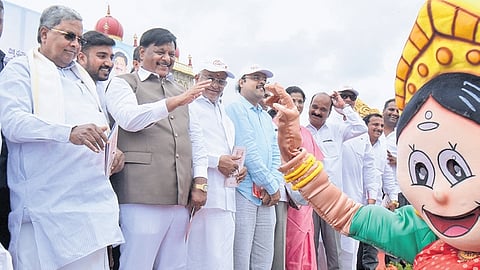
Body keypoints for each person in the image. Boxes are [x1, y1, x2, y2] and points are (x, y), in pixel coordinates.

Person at [0, 5, 124, 269]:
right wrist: (68, 133)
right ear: (44, 34)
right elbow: (12, 123)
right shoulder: (21, 70)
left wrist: (112, 152)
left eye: (79, 39)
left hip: (92, 209)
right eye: (69, 36)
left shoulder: (84, 80)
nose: (75, 44)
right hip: (45, 210)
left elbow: (100, 128)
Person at [105, 27, 211, 270]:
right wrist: (175, 102)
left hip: (179, 198)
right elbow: (129, 119)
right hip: (140, 197)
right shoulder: (123, 83)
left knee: (174, 265)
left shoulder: (181, 92)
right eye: (160, 52)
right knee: (136, 263)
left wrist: (200, 182)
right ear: (142, 52)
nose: (167, 58)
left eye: (171, 54)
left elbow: (196, 139)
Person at [186, 58, 247, 270]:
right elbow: (187, 147)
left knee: (221, 260)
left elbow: (229, 154)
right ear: (197, 78)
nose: (215, 85)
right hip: (204, 194)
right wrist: (216, 161)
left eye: (220, 81)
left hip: (227, 198)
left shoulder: (225, 116)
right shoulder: (189, 107)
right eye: (210, 78)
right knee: (199, 257)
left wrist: (239, 168)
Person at [225, 64, 282, 270]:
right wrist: (271, 185)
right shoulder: (234, 107)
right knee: (240, 257)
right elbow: (247, 149)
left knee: (264, 257)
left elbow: (276, 153)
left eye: (264, 80)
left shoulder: (266, 116)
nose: (262, 83)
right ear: (241, 82)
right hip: (244, 191)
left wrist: (274, 183)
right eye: (256, 77)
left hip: (266, 195)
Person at [306, 91, 367, 270]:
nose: (317, 112)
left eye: (323, 109)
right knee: (310, 249)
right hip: (307, 199)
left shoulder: (337, 131)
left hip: (331, 201)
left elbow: (361, 127)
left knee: (334, 251)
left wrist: (343, 107)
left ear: (330, 112)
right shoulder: (300, 131)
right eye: (314, 107)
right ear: (309, 107)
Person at [284, 86, 325, 270]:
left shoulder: (306, 132)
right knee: (288, 245)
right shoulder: (278, 127)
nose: (297, 105)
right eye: (293, 100)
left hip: (306, 199)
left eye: (300, 101)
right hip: (286, 199)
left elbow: (317, 164)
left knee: (306, 245)